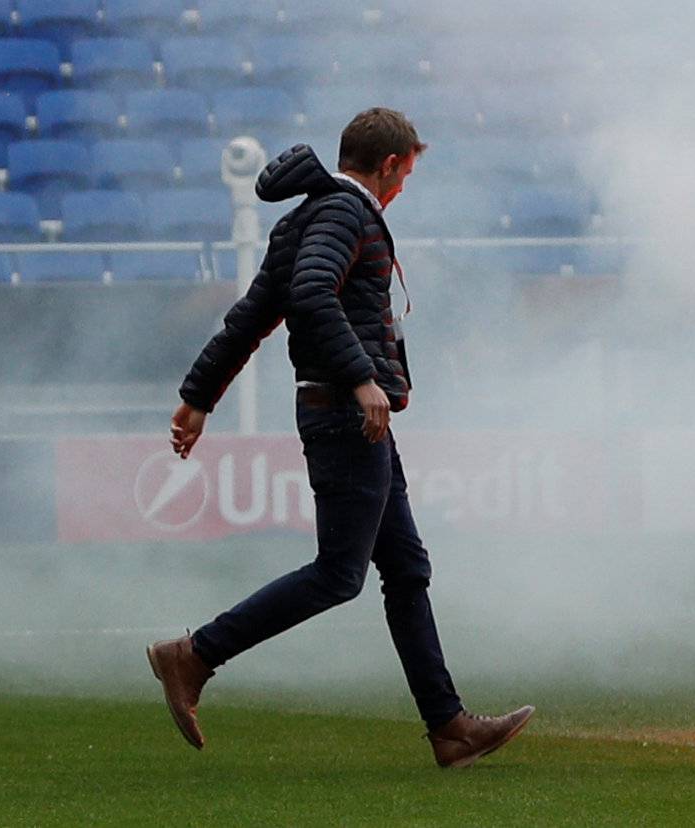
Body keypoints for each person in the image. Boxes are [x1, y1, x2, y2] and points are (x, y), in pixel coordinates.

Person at [146, 108, 534, 769]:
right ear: (386, 165)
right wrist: (362, 380)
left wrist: (196, 398)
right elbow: (312, 295)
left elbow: (250, 317)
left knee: (406, 569)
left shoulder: (307, 216)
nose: (404, 188)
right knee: (338, 575)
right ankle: (194, 654)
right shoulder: (344, 215)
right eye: (405, 173)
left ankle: (449, 728)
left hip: (347, 417)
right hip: (345, 416)